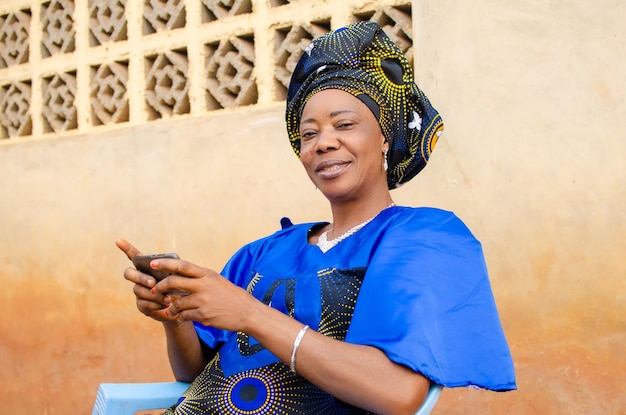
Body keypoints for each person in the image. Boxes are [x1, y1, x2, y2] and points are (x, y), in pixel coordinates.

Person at [117, 21, 516, 415]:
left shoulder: (425, 238)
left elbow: (397, 393)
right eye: (309, 134)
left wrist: (250, 314)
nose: (323, 142)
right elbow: (199, 373)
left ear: (384, 137)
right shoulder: (261, 255)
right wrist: (175, 317)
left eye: (344, 125)